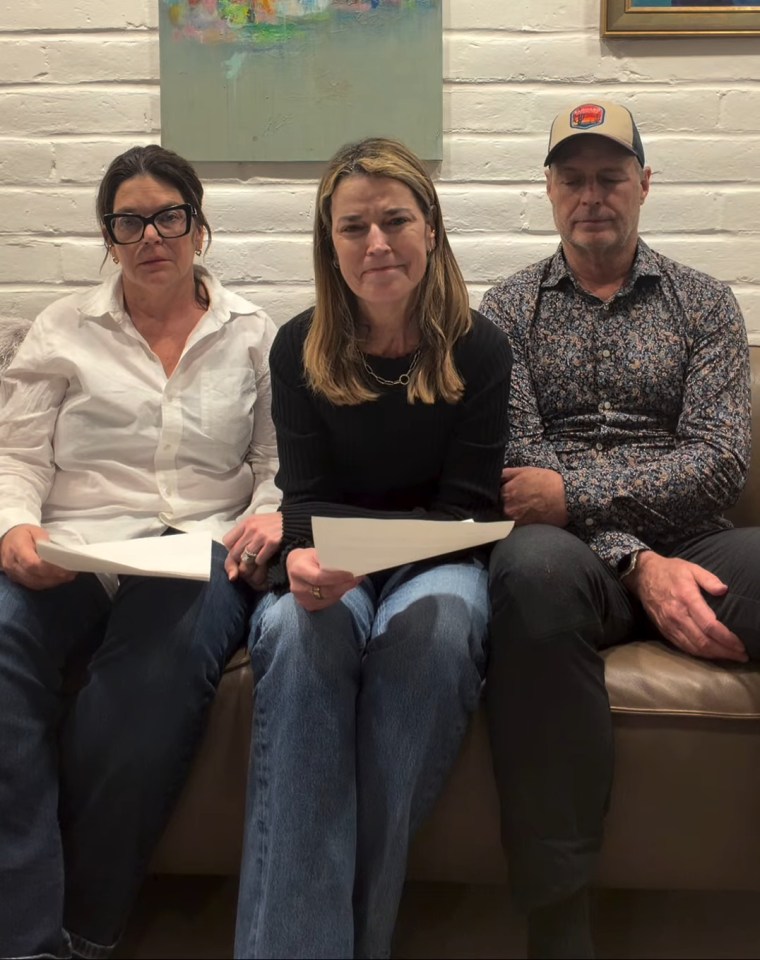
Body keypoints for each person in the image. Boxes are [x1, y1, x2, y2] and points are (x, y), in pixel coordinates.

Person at [480, 99, 760, 959]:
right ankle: (559, 919)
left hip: (702, 538)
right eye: (573, 179)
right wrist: (632, 558)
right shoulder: (502, 312)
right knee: (527, 573)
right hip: (566, 559)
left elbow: (719, 464)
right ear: (549, 191)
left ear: (645, 184)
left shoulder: (707, 305)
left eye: (610, 177)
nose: (591, 195)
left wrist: (585, 501)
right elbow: (522, 488)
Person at [233, 136, 512, 959]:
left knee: (441, 630)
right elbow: (304, 495)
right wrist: (305, 557)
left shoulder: (480, 348)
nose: (377, 243)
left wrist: (360, 554)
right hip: (333, 555)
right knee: (291, 630)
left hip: (441, 561)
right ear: (330, 243)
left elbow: (466, 512)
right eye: (353, 227)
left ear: (432, 229)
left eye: (395, 220)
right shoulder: (300, 346)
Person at [0, 144, 282, 959]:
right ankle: (23, 940)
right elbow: (18, 456)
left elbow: (276, 468)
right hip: (76, 547)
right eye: (130, 221)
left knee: (147, 683)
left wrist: (265, 517)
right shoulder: (61, 329)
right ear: (109, 235)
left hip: (199, 550)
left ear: (200, 227)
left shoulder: (253, 334)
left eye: (169, 217)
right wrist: (15, 530)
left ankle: (85, 927)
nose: (151, 235)